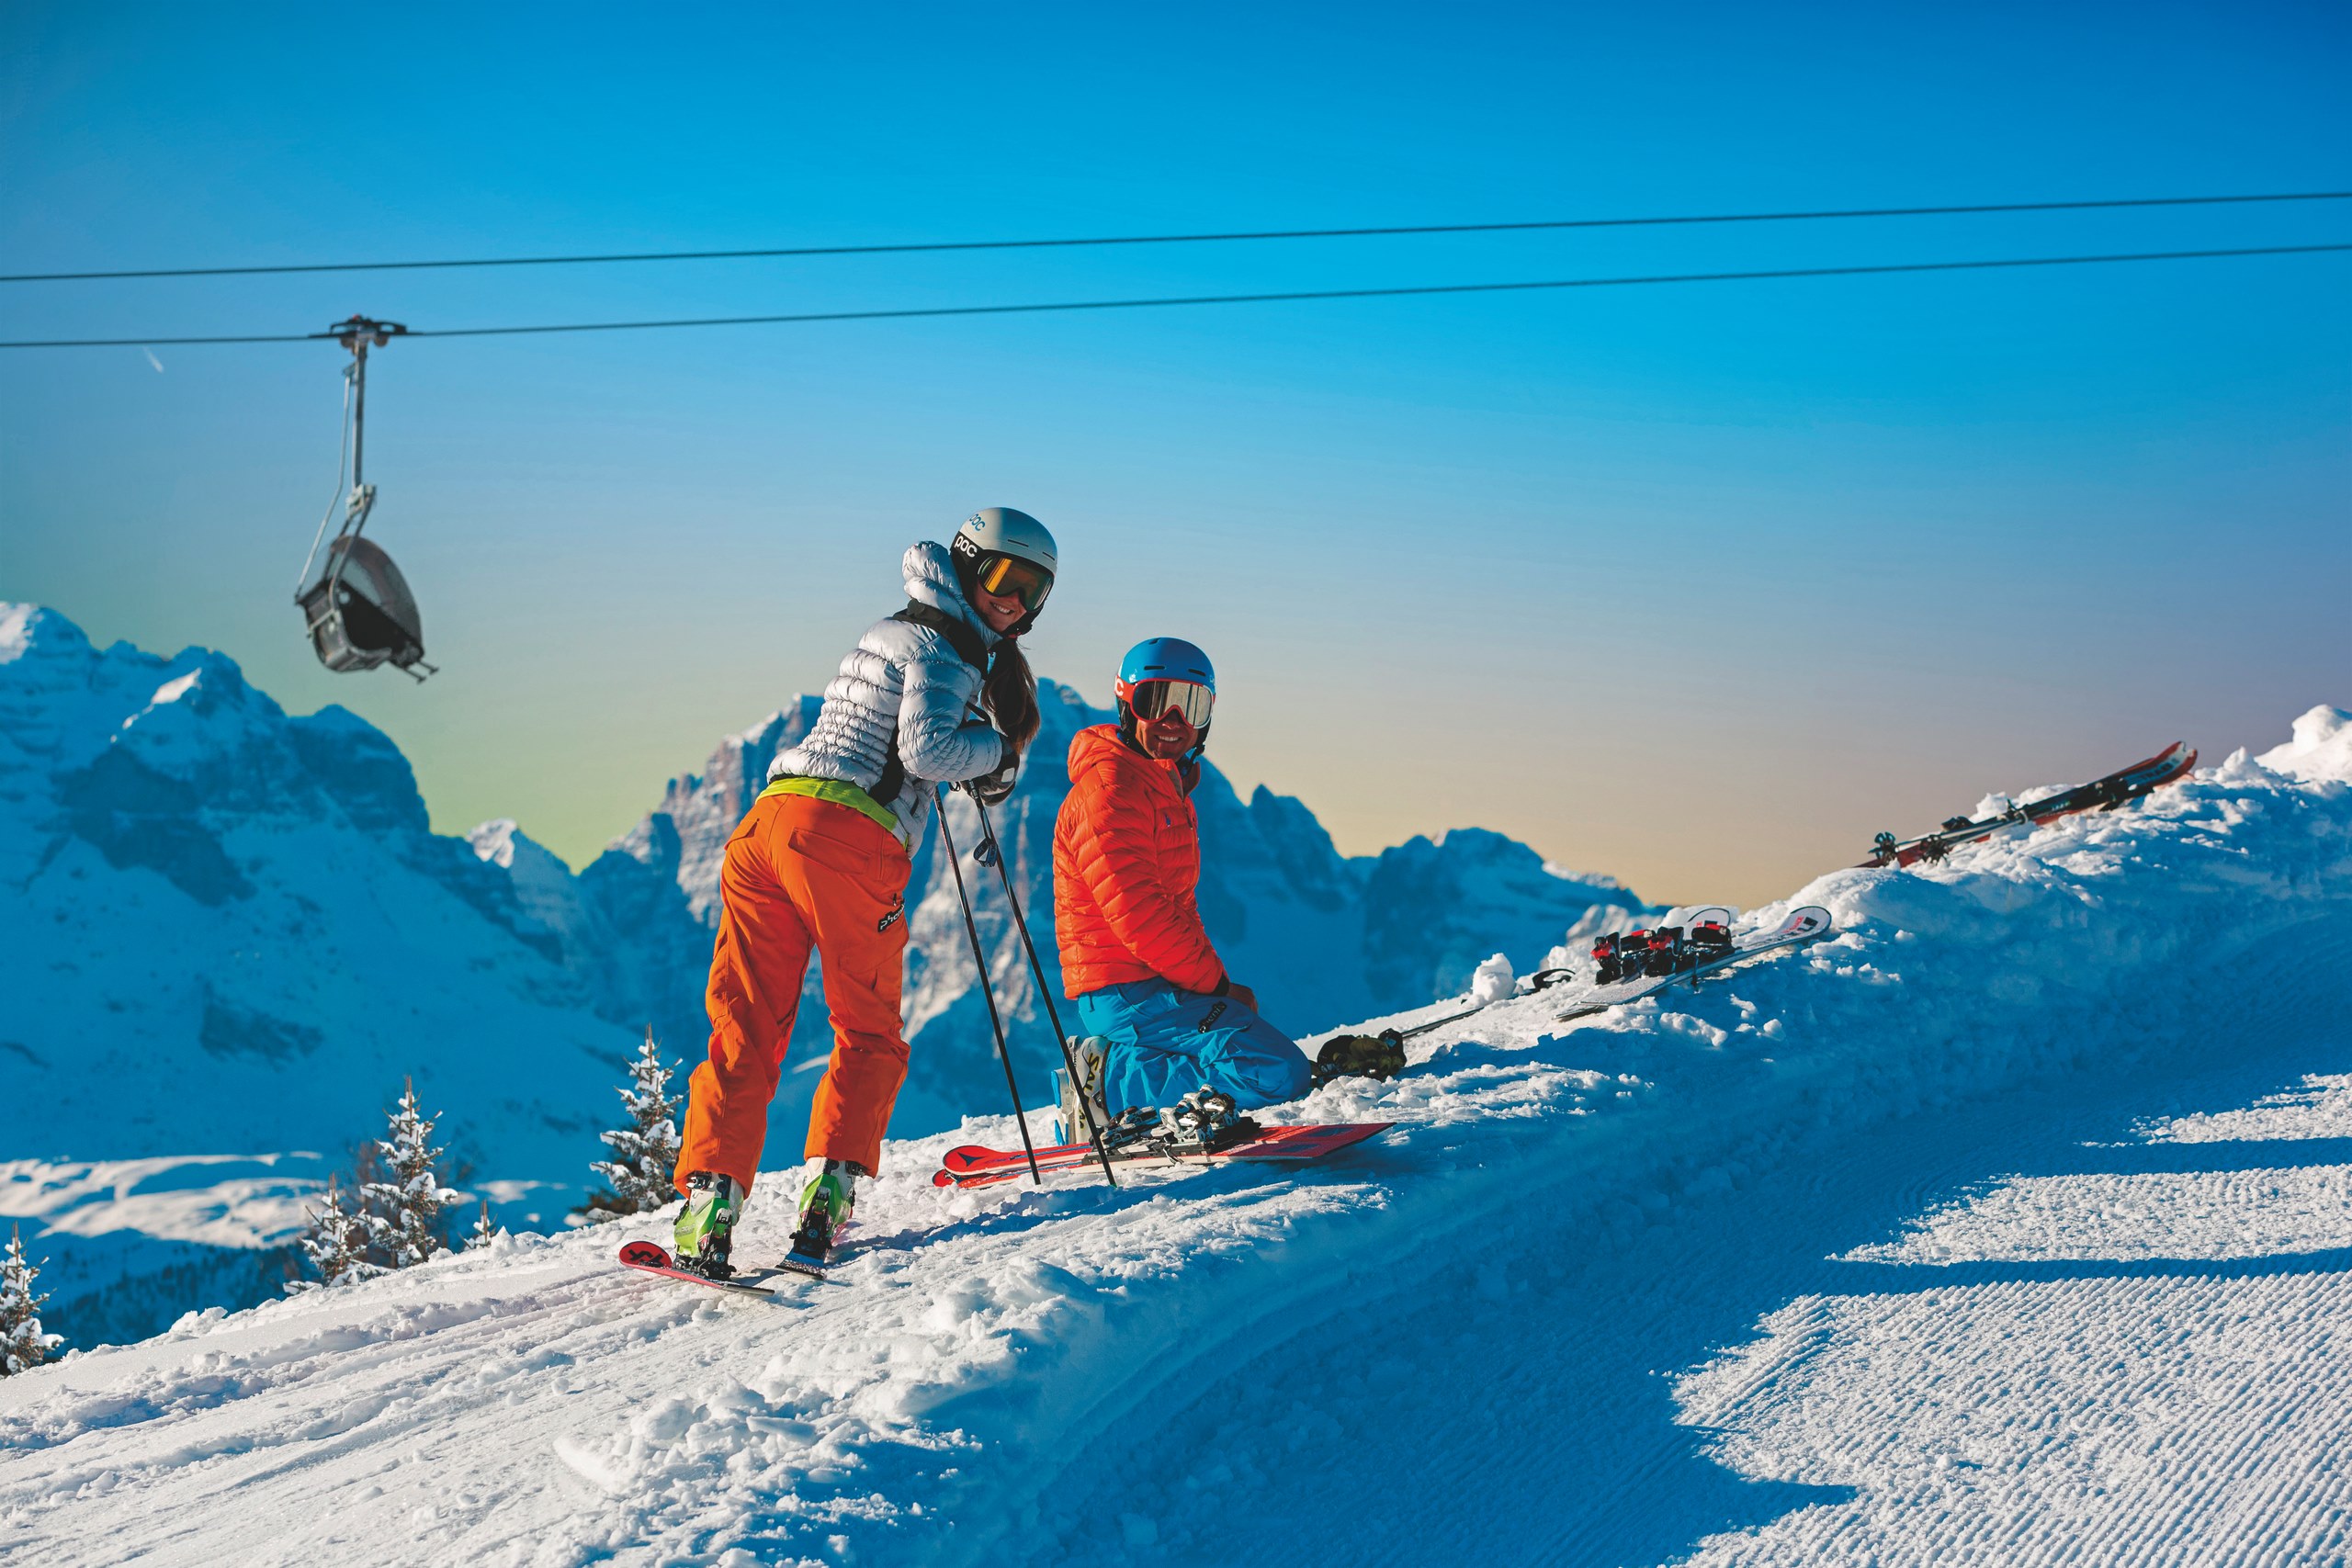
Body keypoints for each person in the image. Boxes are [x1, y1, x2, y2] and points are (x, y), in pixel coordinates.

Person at [671, 507, 1058, 1275]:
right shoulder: (949, 649)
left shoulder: (890, 628)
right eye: (1004, 578)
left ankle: (708, 1204)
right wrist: (1000, 750)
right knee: (868, 1028)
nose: (1014, 599)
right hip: (847, 842)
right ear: (968, 565)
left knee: (746, 1022)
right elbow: (928, 747)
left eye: (1034, 588)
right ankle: (826, 1201)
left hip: (766, 826)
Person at [1052, 637, 1312, 1136]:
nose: (1173, 719)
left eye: (1191, 704)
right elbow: (1141, 914)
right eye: (1156, 700)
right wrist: (1216, 987)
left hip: (1155, 984)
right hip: (1125, 990)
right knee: (1276, 1071)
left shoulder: (1161, 785)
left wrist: (1214, 986)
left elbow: (1179, 905)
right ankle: (1105, 1090)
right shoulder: (1111, 793)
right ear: (1127, 704)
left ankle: (1122, 1073)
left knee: (1261, 1053)